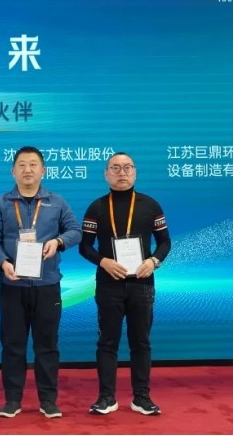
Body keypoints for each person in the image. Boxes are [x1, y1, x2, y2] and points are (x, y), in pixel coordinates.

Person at [0, 146, 82, 419]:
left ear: (43, 170)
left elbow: (75, 231)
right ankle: (12, 400)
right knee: (12, 345)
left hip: (47, 285)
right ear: (13, 171)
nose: (27, 170)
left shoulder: (56, 202)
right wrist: (3, 262)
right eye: (22, 165)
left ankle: (48, 400)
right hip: (12, 285)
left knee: (47, 345)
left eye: (33, 165)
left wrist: (58, 242)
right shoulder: (0, 204)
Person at [79, 152, 171, 416]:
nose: (122, 173)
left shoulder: (150, 205)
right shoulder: (96, 207)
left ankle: (142, 397)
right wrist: (103, 261)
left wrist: (153, 261)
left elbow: (165, 242)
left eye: (127, 167)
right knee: (107, 342)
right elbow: (85, 247)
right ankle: (106, 397)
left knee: (141, 342)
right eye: (115, 168)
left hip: (142, 283)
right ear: (106, 174)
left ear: (135, 172)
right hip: (109, 283)